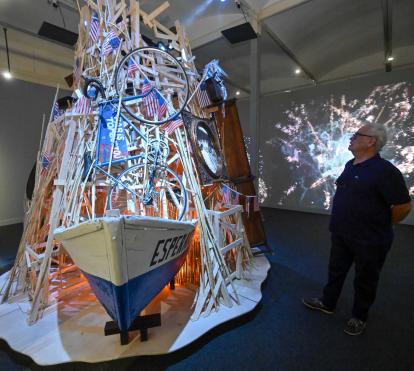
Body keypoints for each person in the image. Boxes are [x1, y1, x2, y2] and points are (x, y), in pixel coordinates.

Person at [303, 122, 412, 335]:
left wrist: (381, 224)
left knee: (365, 279)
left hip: (370, 239)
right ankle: (328, 302)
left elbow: (403, 206)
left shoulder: (386, 171)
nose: (351, 138)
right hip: (342, 233)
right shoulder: (350, 164)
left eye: (356, 135)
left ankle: (359, 316)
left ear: (371, 141)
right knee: (336, 271)